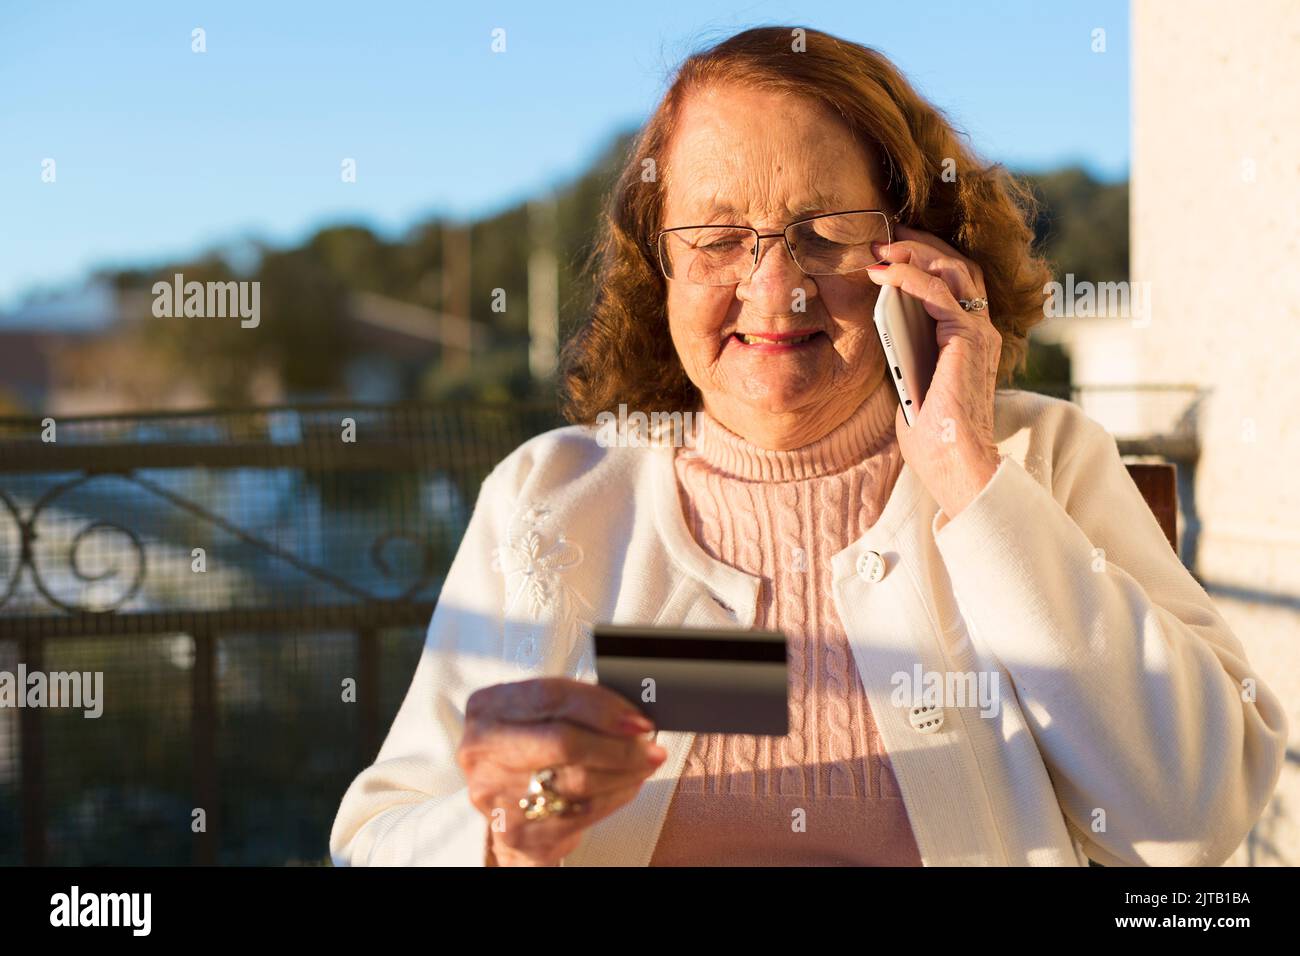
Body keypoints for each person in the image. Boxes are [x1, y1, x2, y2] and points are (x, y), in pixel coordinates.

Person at [330, 26, 1287, 867]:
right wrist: (505, 828)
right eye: (716, 238)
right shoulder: (549, 496)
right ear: (655, 265)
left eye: (825, 232)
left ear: (916, 252)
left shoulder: (1038, 459)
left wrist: (965, 473)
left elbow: (1186, 826)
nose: (775, 283)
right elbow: (379, 841)